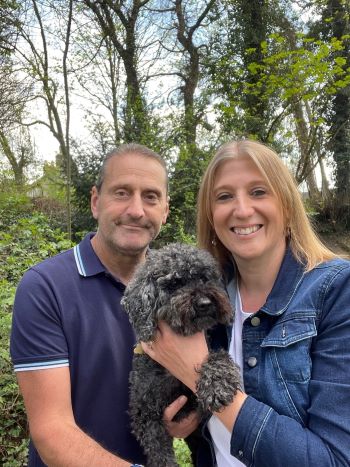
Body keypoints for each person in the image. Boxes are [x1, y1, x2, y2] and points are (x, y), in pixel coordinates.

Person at [142, 139, 350, 466]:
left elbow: (334, 460)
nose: (241, 210)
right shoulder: (206, 299)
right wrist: (192, 416)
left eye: (258, 192)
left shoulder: (337, 290)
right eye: (225, 196)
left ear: (286, 204)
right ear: (211, 216)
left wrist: (203, 378)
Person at [10, 143, 197, 467]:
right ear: (96, 202)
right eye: (122, 193)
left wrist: (191, 414)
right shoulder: (45, 288)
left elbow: (191, 374)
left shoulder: (176, 289)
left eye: (150, 197)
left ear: (165, 210)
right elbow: (52, 432)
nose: (136, 210)